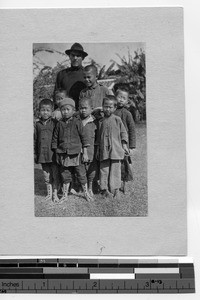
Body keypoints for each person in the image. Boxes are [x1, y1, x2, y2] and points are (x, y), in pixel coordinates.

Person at [51, 97, 93, 202]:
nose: (65, 112)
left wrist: (85, 153)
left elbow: (84, 138)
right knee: (65, 175)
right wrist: (56, 151)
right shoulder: (59, 124)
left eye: (67, 109)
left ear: (73, 110)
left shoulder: (77, 122)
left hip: (77, 154)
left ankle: (86, 193)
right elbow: (55, 139)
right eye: (63, 110)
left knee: (81, 174)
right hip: (64, 155)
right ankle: (65, 195)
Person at [97, 95, 129, 199]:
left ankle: (115, 189)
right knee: (104, 170)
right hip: (104, 151)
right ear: (102, 107)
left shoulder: (117, 120)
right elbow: (98, 137)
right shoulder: (100, 121)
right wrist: (98, 149)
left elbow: (124, 133)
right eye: (105, 106)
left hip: (116, 150)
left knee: (115, 170)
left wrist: (124, 144)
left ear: (115, 108)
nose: (107, 109)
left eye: (110, 107)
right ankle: (104, 189)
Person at [34, 98, 59, 202]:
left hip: (53, 154)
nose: (45, 112)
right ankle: (49, 193)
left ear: (52, 111)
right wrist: (35, 153)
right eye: (43, 110)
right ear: (39, 111)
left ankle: (55, 193)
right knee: (46, 175)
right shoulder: (37, 124)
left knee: (55, 174)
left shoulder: (55, 123)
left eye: (48, 110)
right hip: (42, 155)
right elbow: (35, 139)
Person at [114, 85, 136, 193]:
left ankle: (124, 184)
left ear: (127, 100)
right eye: (119, 97)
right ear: (115, 97)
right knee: (115, 164)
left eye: (124, 98)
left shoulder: (127, 114)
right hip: (114, 143)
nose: (121, 100)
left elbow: (132, 130)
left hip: (124, 143)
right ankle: (116, 185)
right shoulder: (111, 111)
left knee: (125, 164)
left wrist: (132, 146)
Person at [54, 43, 88, 110]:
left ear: (83, 58)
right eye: (73, 55)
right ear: (69, 56)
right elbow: (56, 96)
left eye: (78, 56)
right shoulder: (61, 74)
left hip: (82, 111)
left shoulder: (87, 74)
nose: (75, 58)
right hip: (65, 112)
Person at [79, 97, 98, 198]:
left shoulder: (95, 122)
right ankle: (82, 188)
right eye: (81, 108)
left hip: (91, 151)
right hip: (80, 151)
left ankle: (90, 188)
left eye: (86, 108)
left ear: (91, 108)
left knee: (91, 170)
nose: (83, 110)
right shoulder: (77, 121)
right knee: (81, 170)